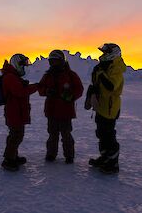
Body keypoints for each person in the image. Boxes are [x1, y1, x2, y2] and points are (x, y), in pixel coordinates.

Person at [85, 43, 126, 174]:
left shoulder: (116, 68)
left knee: (108, 135)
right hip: (101, 106)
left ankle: (113, 163)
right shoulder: (104, 66)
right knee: (101, 133)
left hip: (110, 107)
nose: (103, 55)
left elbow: (111, 86)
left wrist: (101, 72)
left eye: (105, 52)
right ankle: (105, 157)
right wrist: (90, 95)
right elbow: (95, 84)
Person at [38, 50, 84, 164]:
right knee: (52, 135)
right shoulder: (47, 76)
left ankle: (69, 156)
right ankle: (51, 154)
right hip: (51, 111)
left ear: (61, 61)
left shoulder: (71, 75)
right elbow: (40, 89)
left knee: (66, 135)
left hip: (65, 111)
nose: (53, 64)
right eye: (51, 61)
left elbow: (79, 89)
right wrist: (47, 91)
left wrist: (71, 96)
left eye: (55, 61)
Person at [1, 54, 38, 171]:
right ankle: (8, 160)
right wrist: (36, 87)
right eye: (23, 65)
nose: (24, 68)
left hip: (17, 111)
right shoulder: (10, 77)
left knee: (16, 135)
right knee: (16, 136)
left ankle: (13, 156)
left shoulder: (13, 76)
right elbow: (20, 92)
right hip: (14, 111)